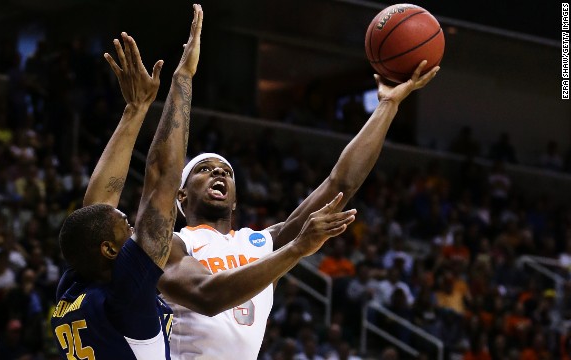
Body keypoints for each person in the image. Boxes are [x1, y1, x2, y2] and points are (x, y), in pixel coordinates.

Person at [158, 61, 439, 359]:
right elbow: (207, 296)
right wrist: (296, 249)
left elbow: (340, 183)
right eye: (204, 169)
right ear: (182, 195)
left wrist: (388, 105)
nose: (218, 173)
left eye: (226, 171)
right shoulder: (172, 245)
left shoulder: (262, 243)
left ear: (236, 199)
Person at [51, 5, 201, 359]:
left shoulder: (75, 288)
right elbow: (165, 178)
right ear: (108, 250)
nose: (132, 226)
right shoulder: (127, 295)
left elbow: (96, 211)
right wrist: (185, 75)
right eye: (126, 227)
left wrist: (136, 109)